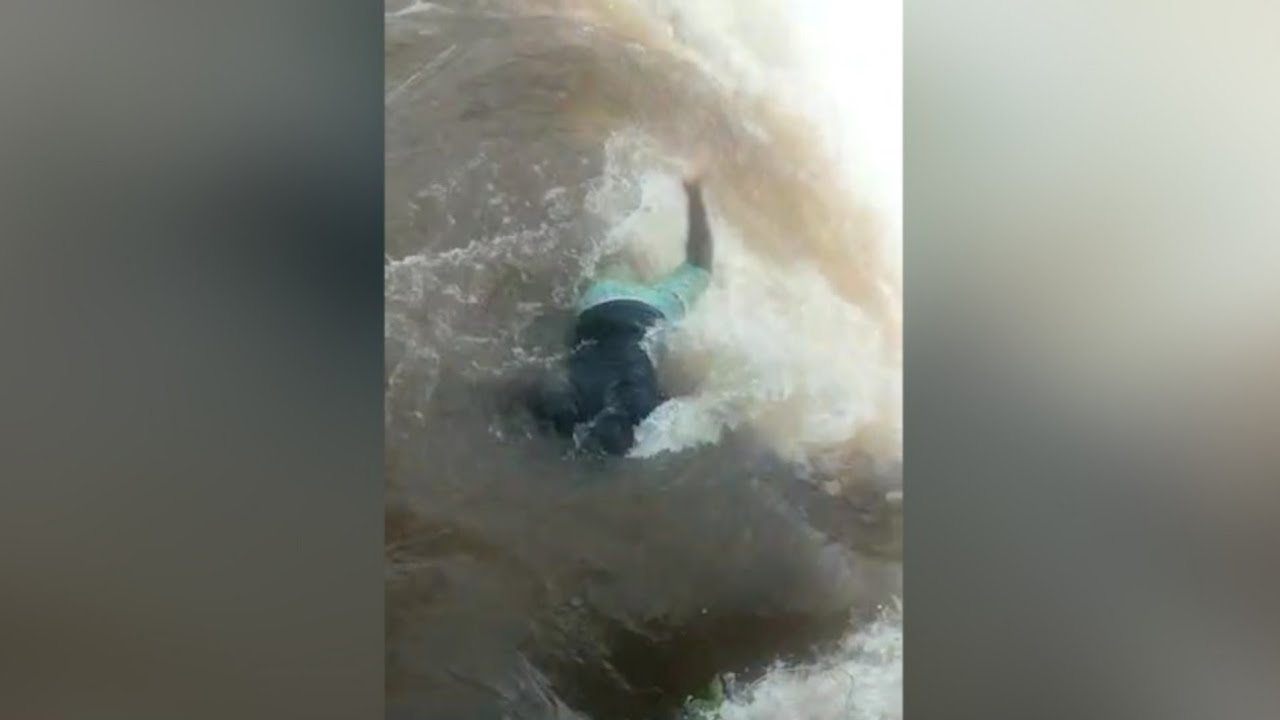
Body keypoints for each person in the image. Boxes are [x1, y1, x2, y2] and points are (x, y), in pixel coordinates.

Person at [531, 176, 715, 456]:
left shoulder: (649, 411)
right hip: (595, 306)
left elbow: (700, 258)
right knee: (605, 271)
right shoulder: (578, 413)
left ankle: (692, 190)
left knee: (700, 269)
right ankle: (690, 191)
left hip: (640, 310)